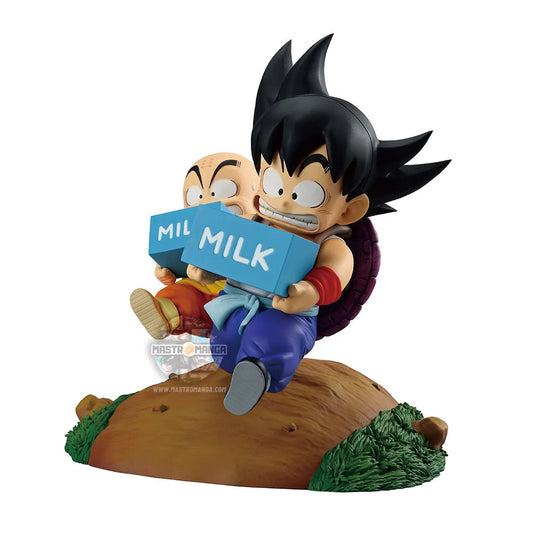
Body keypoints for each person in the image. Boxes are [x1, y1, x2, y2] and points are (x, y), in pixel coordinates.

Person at [130, 152, 259, 339]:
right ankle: (166, 312)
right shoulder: (185, 230)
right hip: (200, 290)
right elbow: (179, 259)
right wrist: (166, 271)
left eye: (222, 191)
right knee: (181, 294)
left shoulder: (258, 229)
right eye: (196, 196)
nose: (205, 202)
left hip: (240, 293)